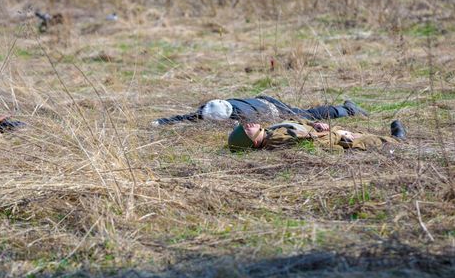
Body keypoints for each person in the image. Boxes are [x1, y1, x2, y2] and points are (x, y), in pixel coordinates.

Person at [152, 95, 369, 126]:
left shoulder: (242, 118)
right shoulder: (214, 106)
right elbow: (190, 117)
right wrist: (162, 122)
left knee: (307, 115)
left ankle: (347, 109)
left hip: (274, 109)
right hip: (262, 98)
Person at [227, 118, 406, 152]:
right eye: (245, 130)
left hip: (321, 132)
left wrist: (314, 124)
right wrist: (336, 134)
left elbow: (293, 121)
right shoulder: (275, 140)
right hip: (329, 140)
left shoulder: (270, 130)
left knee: (357, 134)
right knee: (360, 141)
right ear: (253, 141)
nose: (247, 125)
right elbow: (309, 143)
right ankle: (397, 140)